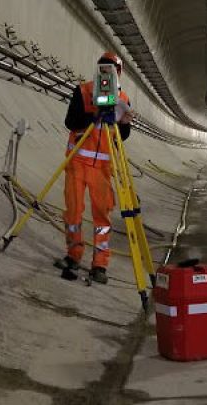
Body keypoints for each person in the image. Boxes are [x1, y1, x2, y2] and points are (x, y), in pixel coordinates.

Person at [57, 51, 134, 283]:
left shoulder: (123, 98)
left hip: (102, 168)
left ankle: (100, 264)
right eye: (104, 67)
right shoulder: (83, 91)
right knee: (73, 212)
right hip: (78, 163)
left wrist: (124, 123)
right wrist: (94, 113)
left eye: (113, 68)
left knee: (102, 217)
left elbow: (122, 136)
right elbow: (71, 122)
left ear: (119, 73)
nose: (109, 72)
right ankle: (73, 255)